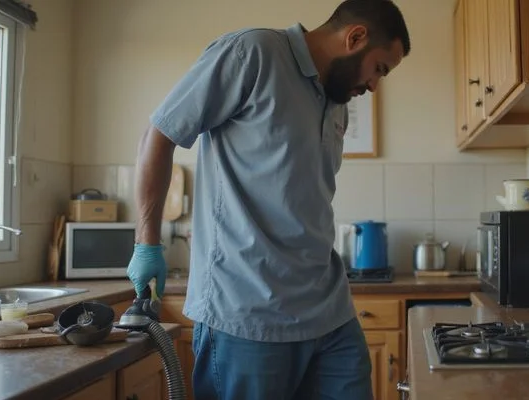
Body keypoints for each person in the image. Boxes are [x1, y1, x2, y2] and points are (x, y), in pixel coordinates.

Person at [126, 0, 411, 399]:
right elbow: (160, 135)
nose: (375, 85)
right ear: (356, 37)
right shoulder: (253, 53)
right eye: (379, 68)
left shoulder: (337, 102)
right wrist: (147, 244)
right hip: (247, 311)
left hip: (329, 311)